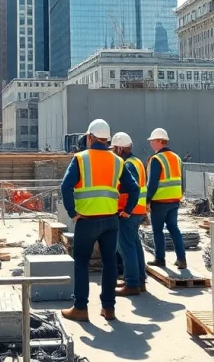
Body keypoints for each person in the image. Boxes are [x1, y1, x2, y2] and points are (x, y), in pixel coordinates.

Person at [60, 119, 139, 322]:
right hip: (110, 221)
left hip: (86, 220)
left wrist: (72, 212)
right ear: (107, 140)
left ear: (89, 137)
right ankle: (109, 308)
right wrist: (127, 210)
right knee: (110, 264)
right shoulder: (118, 161)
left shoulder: (80, 158)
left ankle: (80, 308)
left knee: (81, 263)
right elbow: (134, 188)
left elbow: (65, 186)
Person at [111, 132, 147, 296]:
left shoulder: (128, 165)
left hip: (128, 212)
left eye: (114, 149)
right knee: (135, 245)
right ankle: (139, 280)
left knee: (126, 247)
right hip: (136, 210)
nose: (112, 152)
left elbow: (131, 188)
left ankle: (132, 283)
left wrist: (126, 210)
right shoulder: (136, 161)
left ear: (119, 148)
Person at [145, 128, 187, 270]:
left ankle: (160, 259)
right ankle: (181, 259)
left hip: (159, 202)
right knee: (174, 228)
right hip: (174, 200)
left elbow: (152, 183)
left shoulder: (157, 159)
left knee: (157, 231)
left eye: (152, 141)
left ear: (159, 141)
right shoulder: (176, 157)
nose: (151, 143)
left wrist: (146, 200)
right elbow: (182, 180)